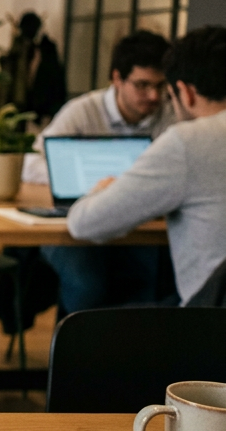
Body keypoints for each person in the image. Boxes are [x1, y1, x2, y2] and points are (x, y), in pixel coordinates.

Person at [67, 26, 226, 306]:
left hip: (210, 323)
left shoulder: (188, 142)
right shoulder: (83, 109)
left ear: (185, 92)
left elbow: (85, 223)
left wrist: (101, 191)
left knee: (117, 316)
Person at [26, 31, 175, 314]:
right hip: (77, 224)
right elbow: (32, 163)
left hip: (140, 225)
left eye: (160, 86)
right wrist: (85, 181)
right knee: (87, 285)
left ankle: (126, 355)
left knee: (150, 284)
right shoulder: (83, 111)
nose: (154, 96)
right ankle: (78, 353)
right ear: (117, 79)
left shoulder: (170, 117)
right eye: (142, 85)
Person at [0, 12, 67, 124]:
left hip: (39, 106)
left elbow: (56, 80)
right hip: (18, 103)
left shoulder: (46, 49)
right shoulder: (18, 50)